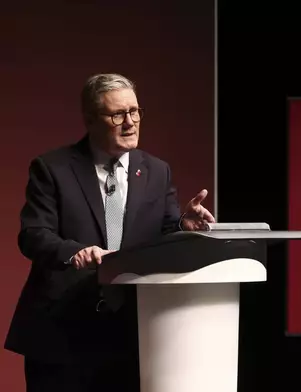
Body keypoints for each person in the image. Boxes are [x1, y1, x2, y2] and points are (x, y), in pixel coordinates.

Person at [4, 73, 216, 392]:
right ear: (90, 120)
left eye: (135, 111)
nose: (130, 122)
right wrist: (74, 252)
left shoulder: (157, 171)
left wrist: (184, 226)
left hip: (130, 332)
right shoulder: (52, 169)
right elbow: (33, 233)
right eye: (117, 114)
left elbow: (165, 232)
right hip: (61, 332)